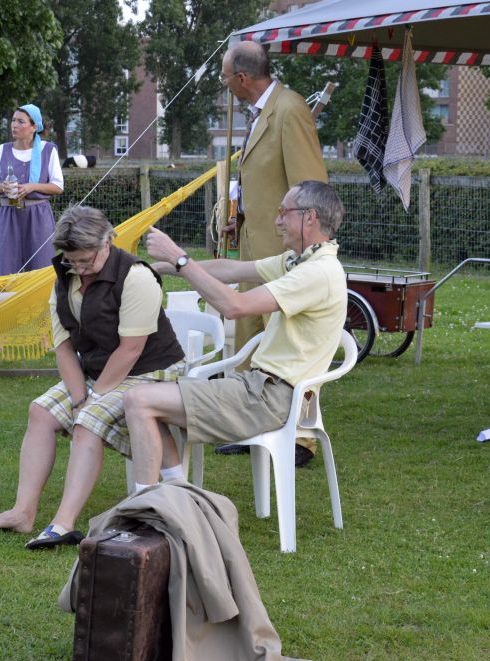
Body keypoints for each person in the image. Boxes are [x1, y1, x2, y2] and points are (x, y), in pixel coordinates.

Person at [0, 206, 185, 549]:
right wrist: (79, 398)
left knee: (87, 421)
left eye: (86, 261)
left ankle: (62, 524)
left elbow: (131, 349)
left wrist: (89, 402)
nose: (78, 267)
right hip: (100, 370)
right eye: (72, 260)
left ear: (107, 242)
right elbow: (63, 347)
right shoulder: (64, 274)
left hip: (150, 370)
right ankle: (22, 513)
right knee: (40, 412)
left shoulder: (137, 277)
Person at [125, 181, 346, 489]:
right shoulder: (301, 260)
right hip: (260, 388)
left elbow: (234, 306)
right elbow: (231, 270)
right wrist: (159, 267)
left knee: (138, 400)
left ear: (309, 217)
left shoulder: (317, 273)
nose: (277, 220)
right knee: (145, 399)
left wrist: (180, 259)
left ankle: (149, 506)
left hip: (272, 399)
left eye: (284, 212)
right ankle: (172, 496)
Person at [220, 40, 328, 466]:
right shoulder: (263, 113)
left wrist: (303, 247)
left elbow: (311, 187)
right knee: (251, 338)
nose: (225, 84)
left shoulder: (290, 110)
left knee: (290, 343)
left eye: (226, 77)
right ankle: (251, 428)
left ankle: (301, 439)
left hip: (287, 253)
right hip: (255, 245)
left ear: (242, 78)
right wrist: (241, 215)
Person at [0, 103, 64, 276]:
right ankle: (8, 302)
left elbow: (58, 186)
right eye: (13, 120)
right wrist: (2, 186)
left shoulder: (48, 150)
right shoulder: (2, 150)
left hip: (38, 215)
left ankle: (42, 303)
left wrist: (31, 187)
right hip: (9, 215)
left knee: (41, 266)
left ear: (34, 127)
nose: (14, 125)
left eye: (21, 121)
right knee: (6, 267)